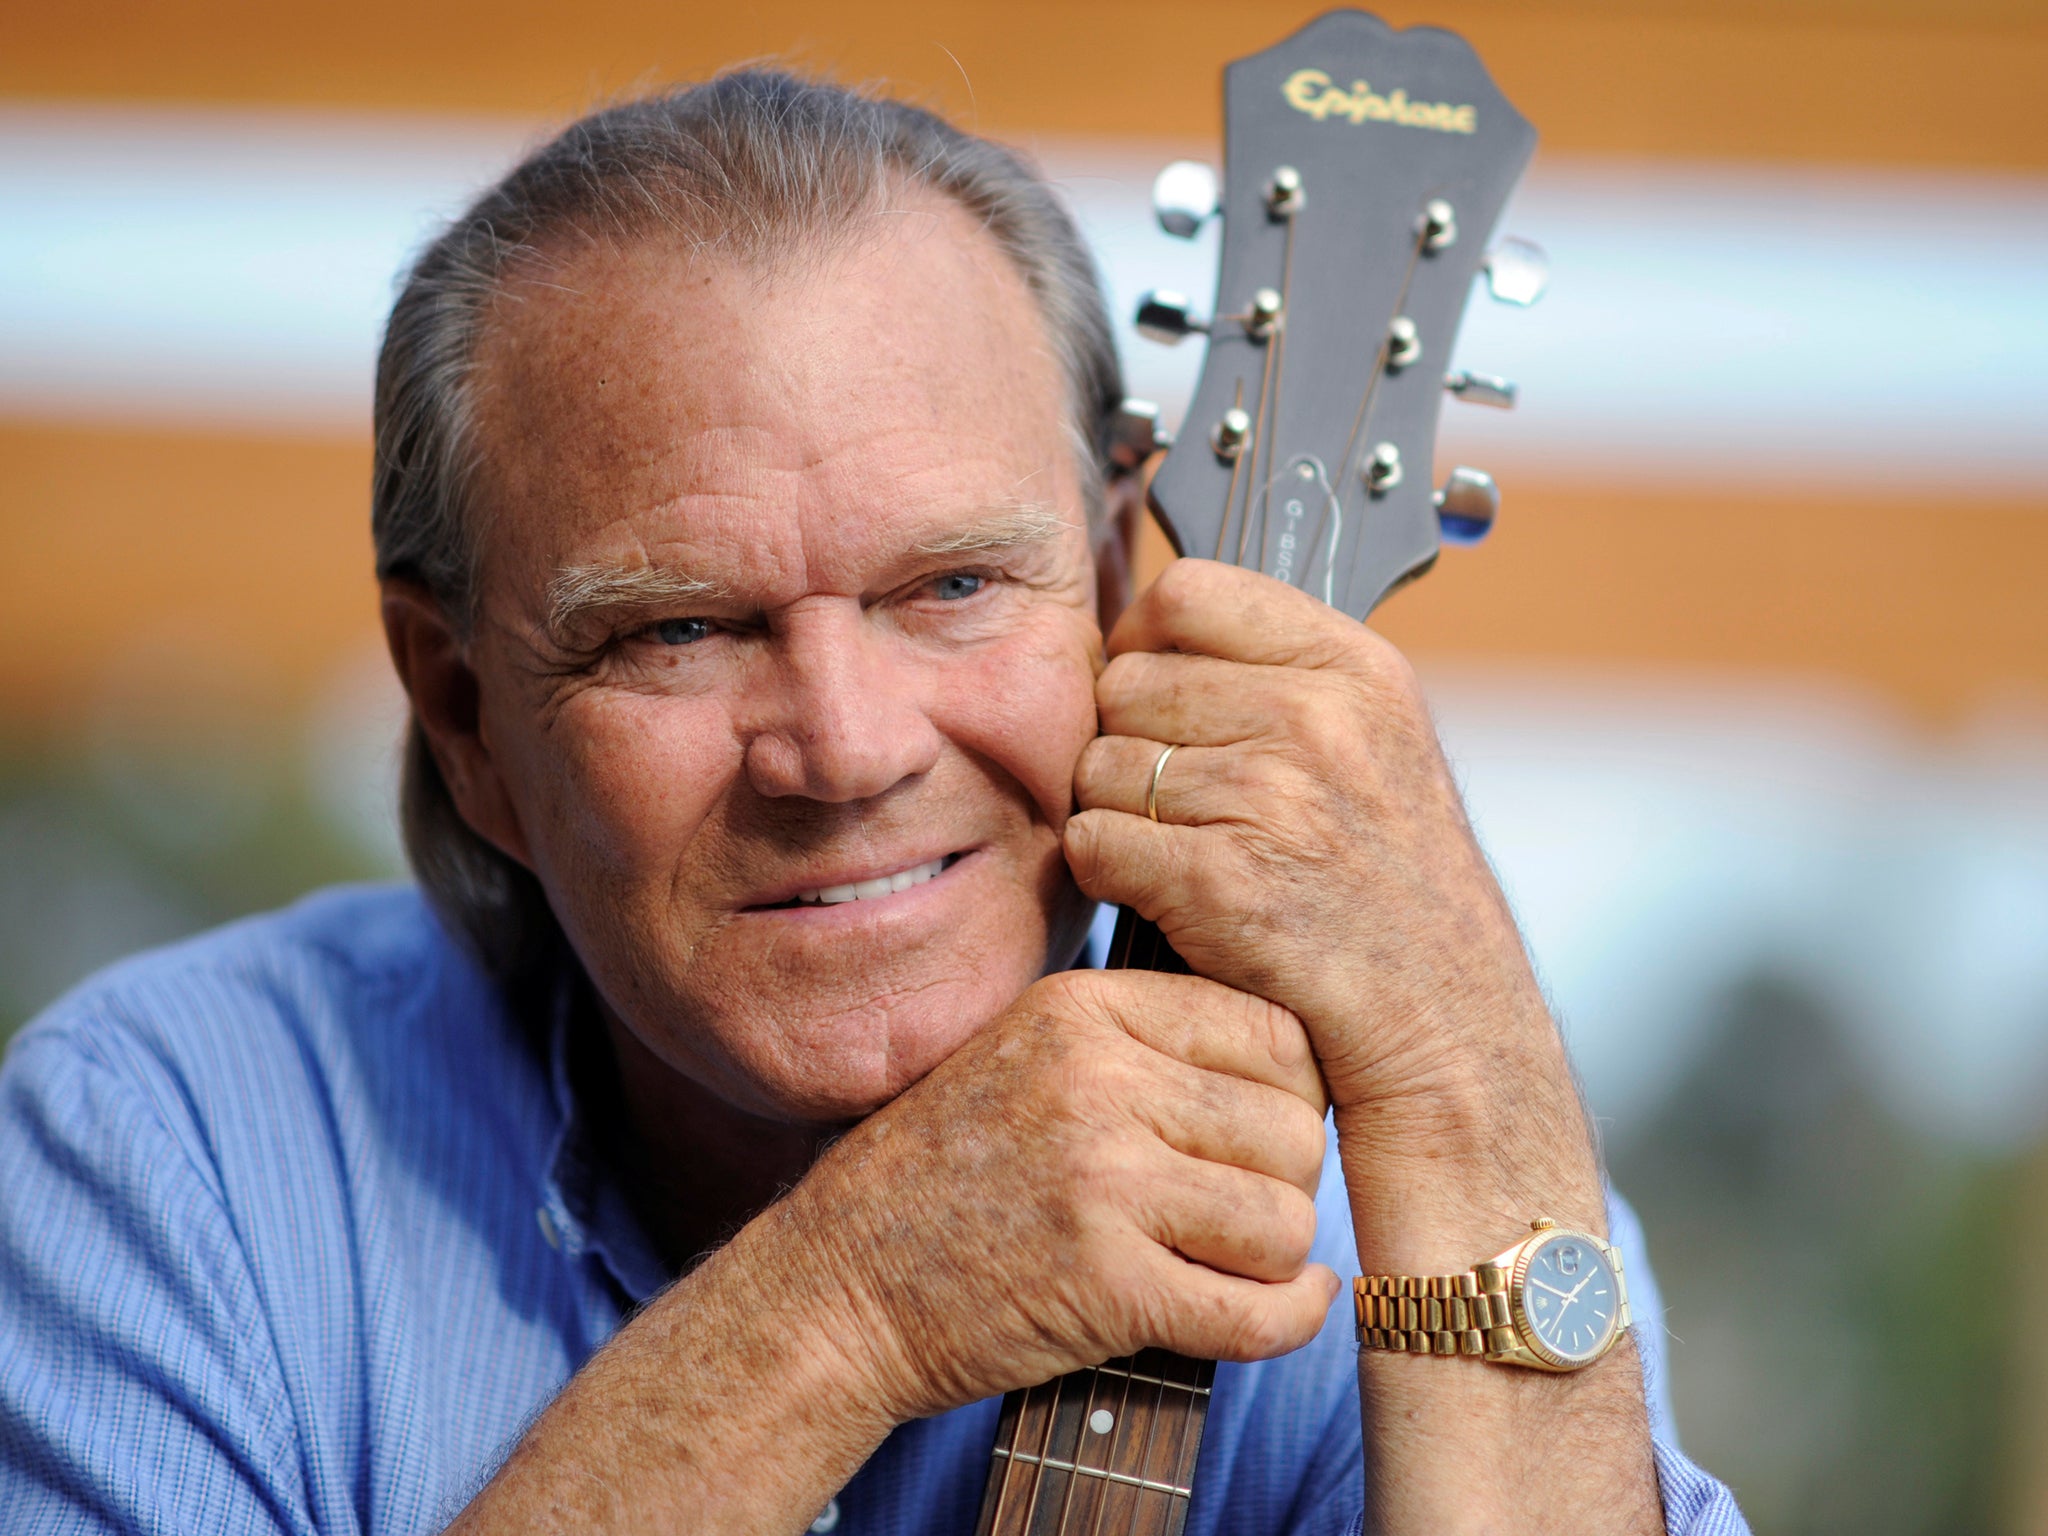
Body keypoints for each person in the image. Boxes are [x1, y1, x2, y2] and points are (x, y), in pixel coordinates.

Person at [0, 73, 1747, 1535]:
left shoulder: (1416, 1208)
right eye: (680, 627)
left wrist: (1462, 1079)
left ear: (1124, 585)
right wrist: (848, 1305)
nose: (843, 747)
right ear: (463, 712)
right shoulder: (167, 1154)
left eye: (955, 588)